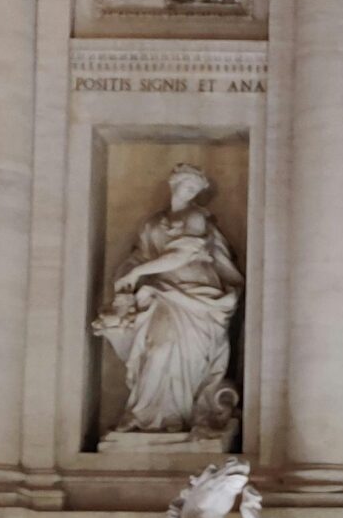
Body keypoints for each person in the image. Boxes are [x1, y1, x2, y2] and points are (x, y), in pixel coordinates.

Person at [94, 165, 242, 434]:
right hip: (161, 294)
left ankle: (177, 416)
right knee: (157, 349)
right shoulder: (152, 224)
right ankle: (145, 415)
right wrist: (127, 276)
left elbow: (182, 254)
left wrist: (139, 271)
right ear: (174, 184)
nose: (191, 193)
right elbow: (140, 256)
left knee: (183, 356)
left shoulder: (196, 216)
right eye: (187, 186)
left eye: (195, 190)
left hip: (196, 296)